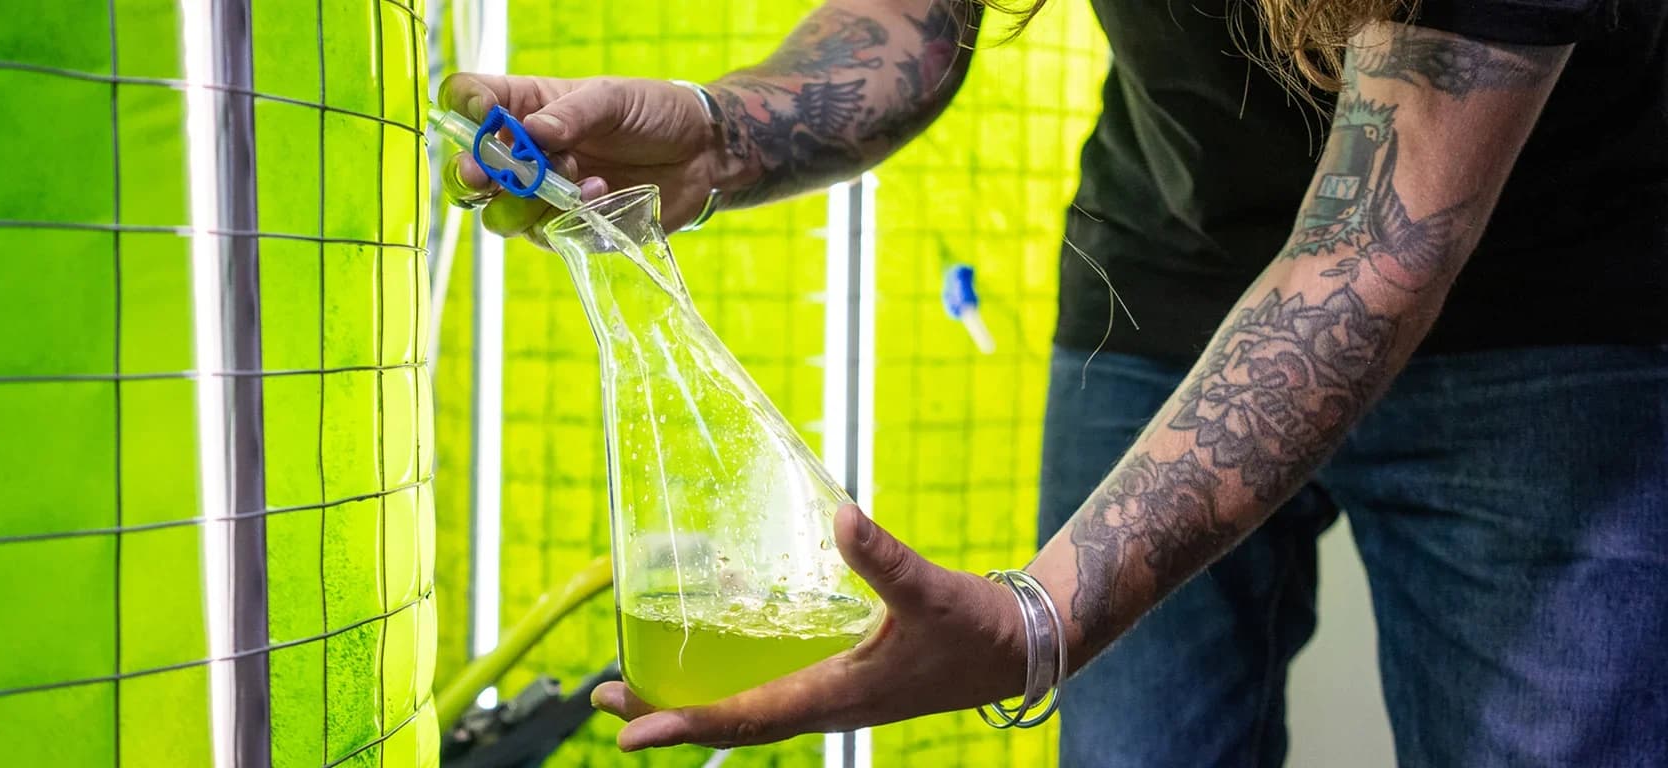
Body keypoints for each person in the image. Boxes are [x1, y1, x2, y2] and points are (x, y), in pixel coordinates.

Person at [439, 0, 1668, 764]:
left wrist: (1040, 621)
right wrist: (718, 131)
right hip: (1162, 278)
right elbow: (911, 15)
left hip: (1551, 325)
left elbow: (1370, 248)